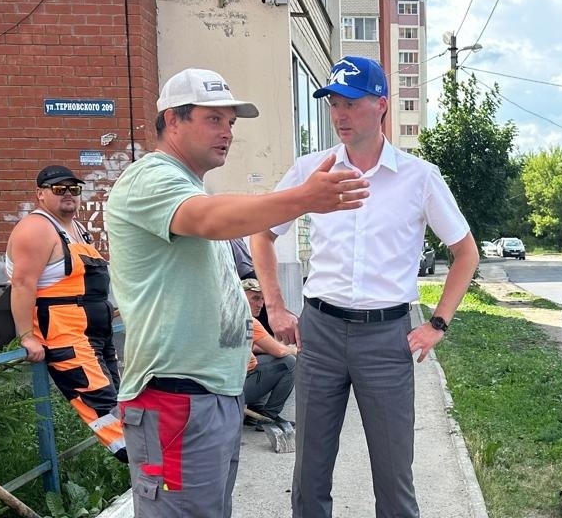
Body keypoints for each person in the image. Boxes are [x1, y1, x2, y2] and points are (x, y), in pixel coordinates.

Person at [105, 68, 368, 517]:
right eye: (213, 119)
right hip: (175, 397)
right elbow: (210, 218)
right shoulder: (149, 178)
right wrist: (302, 198)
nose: (227, 132)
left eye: (231, 123)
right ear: (172, 120)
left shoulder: (186, 183)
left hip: (211, 394)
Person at [251, 56, 479, 518]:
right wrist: (274, 305)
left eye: (351, 103)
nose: (339, 115)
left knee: (394, 475)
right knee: (310, 470)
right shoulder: (311, 171)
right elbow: (262, 233)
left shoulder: (419, 178)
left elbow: (466, 253)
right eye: (334, 103)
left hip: (387, 338)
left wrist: (438, 323)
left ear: (381, 106)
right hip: (321, 332)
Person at [6, 165, 126, 462]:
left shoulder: (75, 229)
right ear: (41, 194)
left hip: (95, 335)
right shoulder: (36, 228)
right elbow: (22, 284)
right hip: (67, 338)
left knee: (122, 403)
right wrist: (27, 336)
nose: (69, 194)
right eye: (59, 189)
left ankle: (150, 471)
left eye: (74, 188)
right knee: (104, 408)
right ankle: (149, 468)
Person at [229, 237, 296, 428]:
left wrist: (267, 348)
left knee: (261, 360)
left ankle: (254, 411)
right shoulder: (251, 322)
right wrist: (298, 351)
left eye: (262, 299)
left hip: (221, 385)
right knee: (288, 364)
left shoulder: (226, 317)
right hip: (232, 388)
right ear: (241, 298)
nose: (261, 304)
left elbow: (251, 345)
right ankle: (268, 416)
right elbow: (281, 352)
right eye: (255, 298)